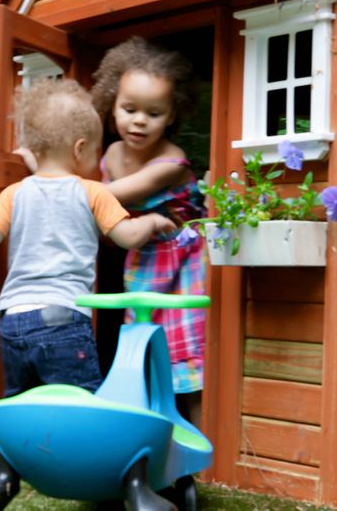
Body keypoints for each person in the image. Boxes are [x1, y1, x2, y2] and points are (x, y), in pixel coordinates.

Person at [0, 78, 173, 511]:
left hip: (13, 320)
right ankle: (122, 487)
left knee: (20, 407)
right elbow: (127, 236)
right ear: (79, 149)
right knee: (86, 409)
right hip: (64, 322)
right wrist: (151, 222)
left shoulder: (14, 195)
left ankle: (4, 482)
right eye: (94, 152)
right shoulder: (92, 191)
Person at [92, 36, 208, 430]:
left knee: (183, 347)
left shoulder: (171, 163)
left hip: (185, 262)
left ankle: (198, 437)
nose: (139, 120)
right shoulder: (109, 156)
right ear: (112, 104)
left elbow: (109, 197)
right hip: (142, 257)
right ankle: (144, 428)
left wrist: (51, 184)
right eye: (129, 109)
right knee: (139, 340)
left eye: (153, 113)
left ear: (172, 114)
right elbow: (109, 220)